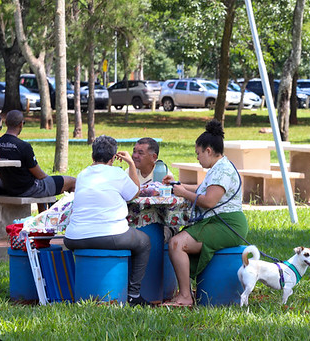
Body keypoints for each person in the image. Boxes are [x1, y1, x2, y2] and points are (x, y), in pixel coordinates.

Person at [164, 119, 247, 307]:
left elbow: (209, 201)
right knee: (177, 241)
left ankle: (185, 296)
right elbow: (203, 190)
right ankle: (185, 292)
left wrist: (183, 193)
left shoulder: (222, 170)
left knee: (176, 243)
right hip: (217, 223)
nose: (197, 158)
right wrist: (178, 185)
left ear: (208, 151)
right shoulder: (218, 167)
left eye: (198, 153)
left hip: (227, 225)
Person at [64, 135, 151, 306]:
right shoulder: (117, 173)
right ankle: (133, 294)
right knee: (144, 242)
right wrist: (131, 164)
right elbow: (134, 193)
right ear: (113, 158)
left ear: (92, 156)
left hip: (74, 238)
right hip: (110, 236)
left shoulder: (82, 174)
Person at [0, 110, 75, 197]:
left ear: (6, 123)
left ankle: (46, 206)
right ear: (21, 124)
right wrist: (50, 180)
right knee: (73, 181)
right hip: (28, 189)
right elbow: (40, 175)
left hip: (9, 188)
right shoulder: (24, 146)